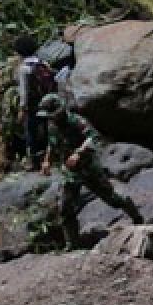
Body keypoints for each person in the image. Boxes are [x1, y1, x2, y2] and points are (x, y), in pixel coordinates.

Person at [36, 93, 143, 247]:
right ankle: (72, 243)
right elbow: (52, 143)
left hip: (88, 168)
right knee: (65, 208)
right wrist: (46, 161)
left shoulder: (77, 121)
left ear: (59, 110)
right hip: (70, 173)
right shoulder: (52, 124)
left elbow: (94, 138)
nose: (50, 118)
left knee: (111, 198)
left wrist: (78, 153)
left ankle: (135, 215)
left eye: (52, 114)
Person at [14, 34, 55, 171]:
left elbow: (24, 91)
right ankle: (50, 158)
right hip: (47, 102)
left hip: (33, 106)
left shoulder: (24, 68)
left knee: (30, 132)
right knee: (47, 130)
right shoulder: (43, 63)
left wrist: (22, 109)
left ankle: (32, 162)